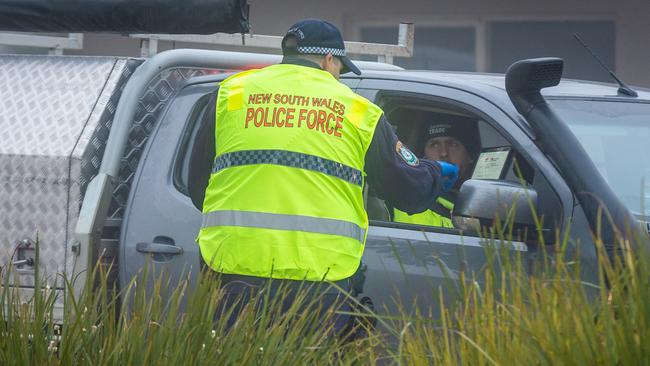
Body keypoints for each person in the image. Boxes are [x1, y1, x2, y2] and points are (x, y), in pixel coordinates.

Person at [188, 18, 458, 334]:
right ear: (330, 59)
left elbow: (199, 188)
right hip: (319, 281)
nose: (339, 76)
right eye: (341, 68)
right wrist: (437, 172)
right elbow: (408, 190)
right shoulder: (356, 111)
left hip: (232, 272)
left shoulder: (231, 94)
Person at [393, 117, 481, 227]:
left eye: (453, 144)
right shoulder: (411, 201)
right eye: (434, 145)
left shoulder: (480, 203)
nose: (443, 153)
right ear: (424, 157)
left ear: (470, 155)